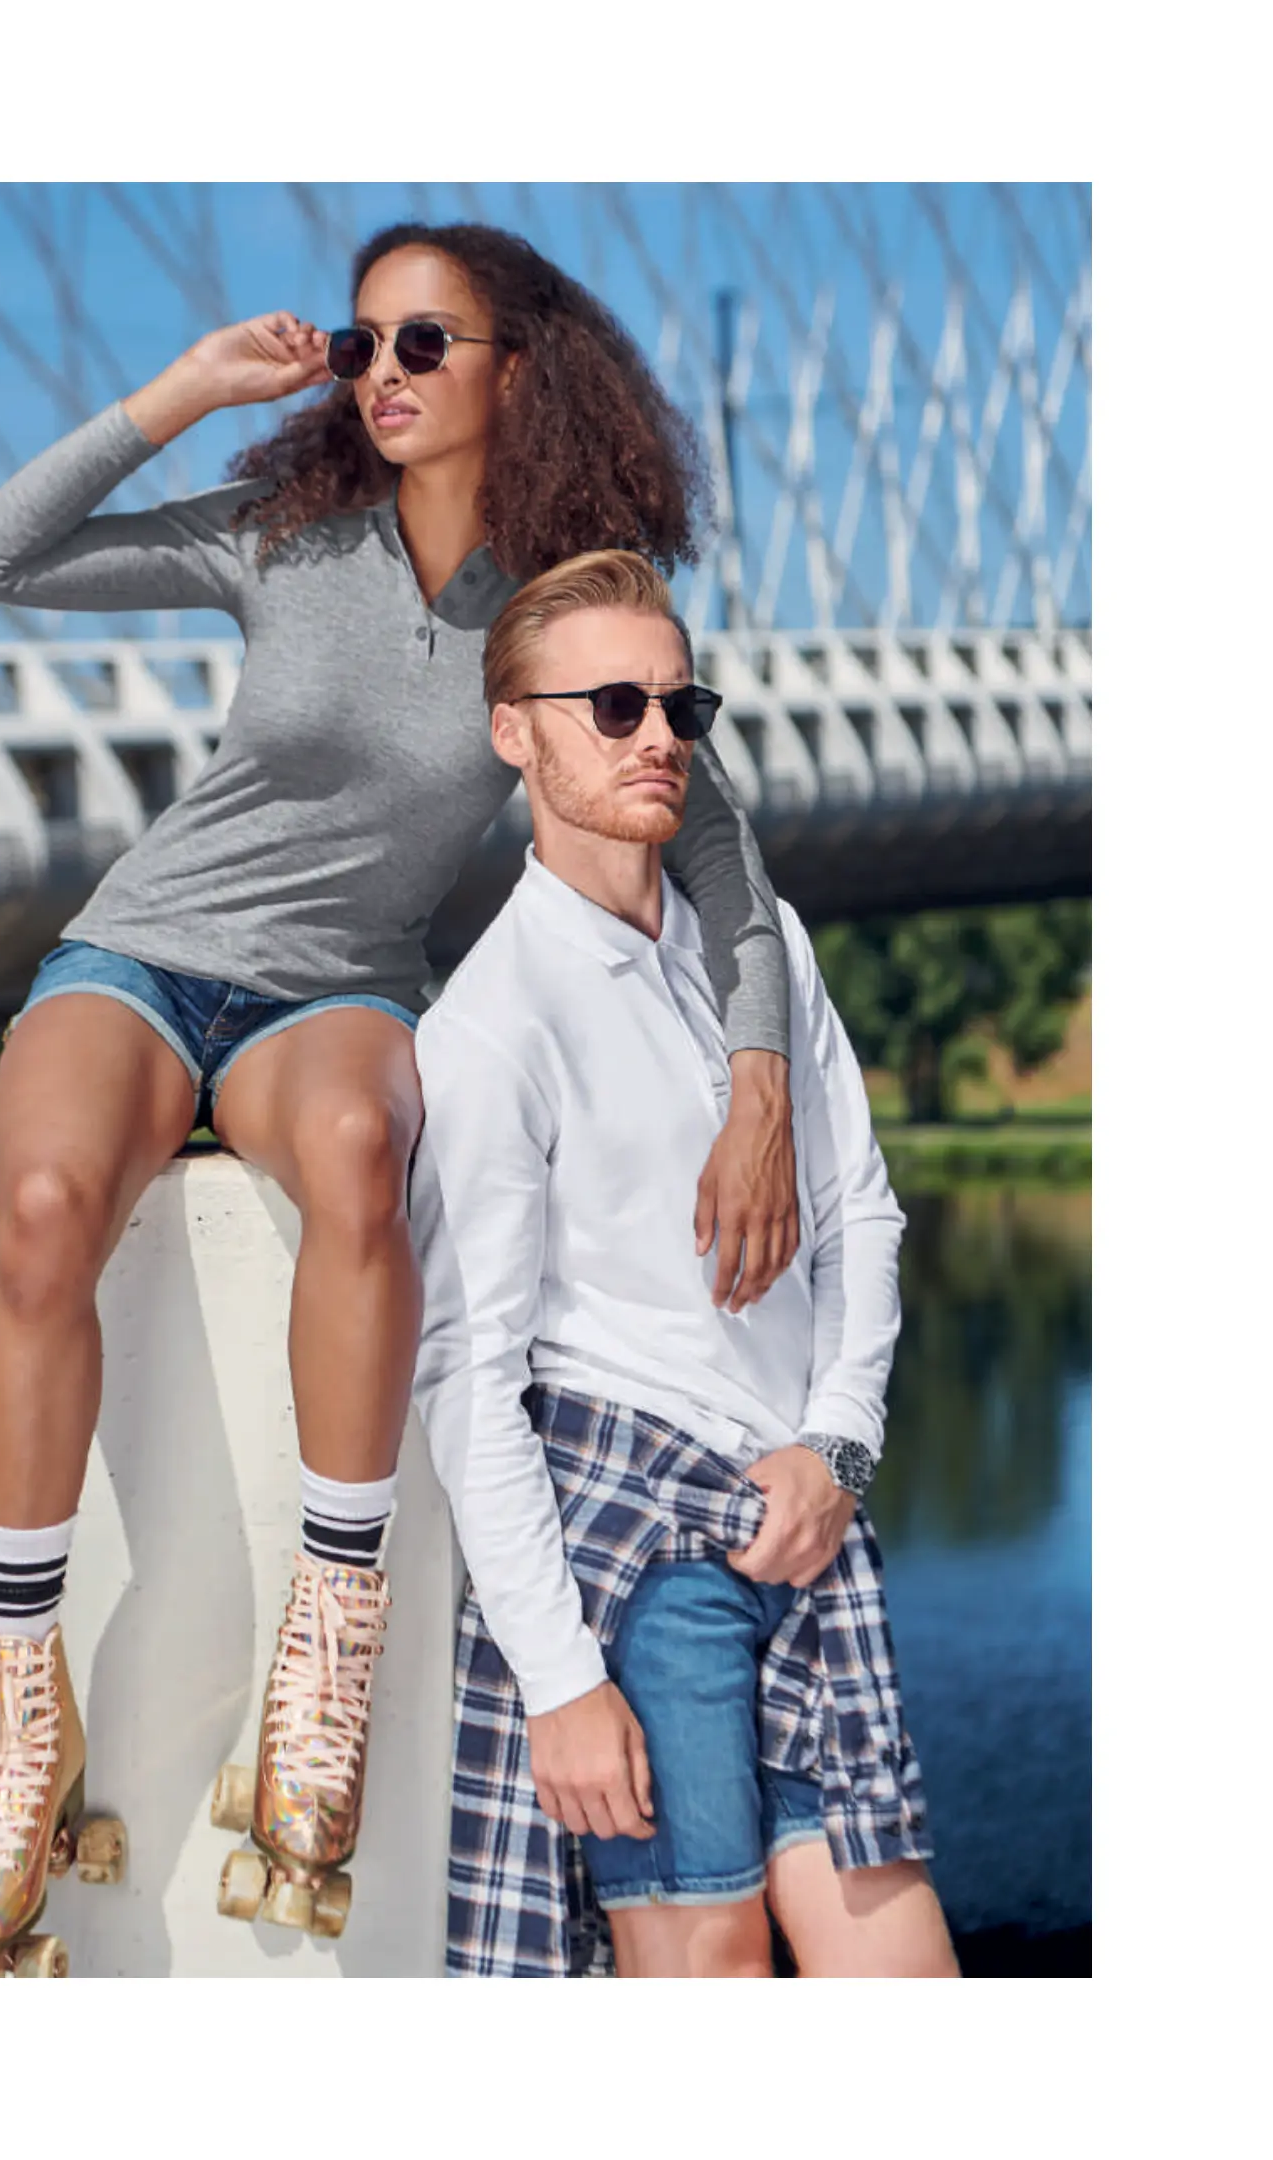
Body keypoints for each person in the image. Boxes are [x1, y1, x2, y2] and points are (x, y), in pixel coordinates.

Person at [0, 221, 802, 1972]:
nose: (382, 373)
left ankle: (330, 1640)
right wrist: (188, 390)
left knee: (356, 1154)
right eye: (362, 342)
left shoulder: (562, 608)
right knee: (43, 1210)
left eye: (424, 342)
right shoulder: (288, 531)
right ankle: (18, 1700)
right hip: (144, 951)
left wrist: (761, 1075)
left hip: (333, 991)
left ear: (517, 372)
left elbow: (718, 855)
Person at [409, 549, 960, 1978]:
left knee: (906, 1979)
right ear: (513, 731)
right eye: (612, 705)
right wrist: (561, 1683)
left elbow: (861, 1216)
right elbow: (470, 1378)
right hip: (647, 1565)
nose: (657, 735)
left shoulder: (760, 952)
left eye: (678, 704)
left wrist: (840, 1447)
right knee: (707, 1978)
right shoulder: (492, 1026)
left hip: (807, 1534)